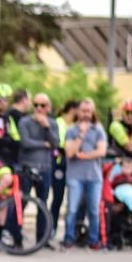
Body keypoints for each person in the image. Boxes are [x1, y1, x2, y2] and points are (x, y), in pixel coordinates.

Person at [62, 98, 107, 250]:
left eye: (89, 111)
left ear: (92, 112)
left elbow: (102, 151)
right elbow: (69, 152)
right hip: (75, 176)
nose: (86, 114)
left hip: (94, 177)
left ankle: (94, 240)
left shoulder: (98, 130)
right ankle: (69, 239)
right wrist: (81, 134)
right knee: (72, 209)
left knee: (94, 211)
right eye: (83, 110)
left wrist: (83, 155)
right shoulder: (71, 131)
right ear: (78, 112)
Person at [18, 93, 59, 245]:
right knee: (22, 202)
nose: (39, 109)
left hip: (45, 168)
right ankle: (16, 237)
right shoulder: (25, 121)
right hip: (27, 167)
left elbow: (55, 143)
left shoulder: (52, 124)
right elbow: (25, 143)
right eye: (35, 105)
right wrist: (43, 144)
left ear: (48, 107)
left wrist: (46, 127)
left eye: (42, 105)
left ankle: (42, 239)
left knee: (43, 204)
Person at [51, 100, 78, 241]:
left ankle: (73, 232)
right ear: (73, 109)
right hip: (60, 165)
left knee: (74, 201)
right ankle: (52, 229)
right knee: (58, 199)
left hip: (74, 166)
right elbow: (57, 144)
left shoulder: (74, 125)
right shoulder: (58, 122)